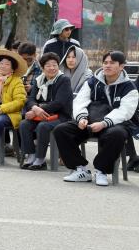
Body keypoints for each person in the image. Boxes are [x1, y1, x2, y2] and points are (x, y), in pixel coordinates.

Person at [54, 51, 138, 186]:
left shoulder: (129, 88)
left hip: (114, 125)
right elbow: (80, 101)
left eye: (112, 63)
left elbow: (125, 112)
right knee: (61, 130)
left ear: (122, 66)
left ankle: (101, 170)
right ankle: (80, 169)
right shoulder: (92, 82)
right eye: (105, 62)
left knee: (117, 135)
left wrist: (104, 123)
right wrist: (81, 118)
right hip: (89, 121)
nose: (107, 66)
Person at [18, 52, 73, 170]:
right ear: (42, 68)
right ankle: (31, 156)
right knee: (24, 124)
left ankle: (40, 159)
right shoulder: (39, 81)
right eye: (48, 65)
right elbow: (30, 99)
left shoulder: (64, 80)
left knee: (43, 126)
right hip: (41, 114)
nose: (52, 68)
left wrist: (38, 110)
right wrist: (34, 108)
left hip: (60, 116)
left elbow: (59, 103)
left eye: (55, 65)